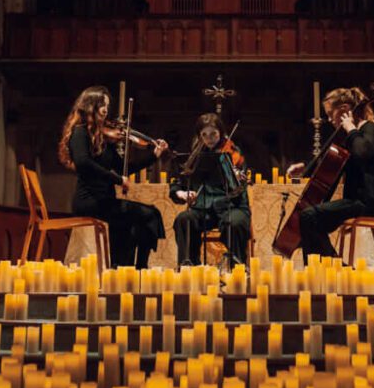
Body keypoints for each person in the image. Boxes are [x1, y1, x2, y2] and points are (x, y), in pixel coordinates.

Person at [58, 86, 168, 268]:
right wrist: (117, 180)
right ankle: (137, 268)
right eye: (101, 104)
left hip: (105, 200)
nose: (105, 109)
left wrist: (154, 155)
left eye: (107, 105)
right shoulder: (80, 132)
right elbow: (84, 163)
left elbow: (126, 168)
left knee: (136, 224)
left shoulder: (101, 139)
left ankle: (124, 268)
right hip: (90, 201)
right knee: (149, 214)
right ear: (89, 105)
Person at [285, 87, 374, 258]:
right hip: (355, 201)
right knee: (310, 221)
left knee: (309, 217)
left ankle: (330, 265)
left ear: (344, 110)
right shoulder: (351, 136)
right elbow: (330, 165)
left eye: (329, 113)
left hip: (369, 200)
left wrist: (350, 129)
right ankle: (325, 265)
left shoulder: (368, 128)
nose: (329, 119)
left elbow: (363, 151)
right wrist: (306, 169)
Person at [169, 113, 252, 267]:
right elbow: (177, 183)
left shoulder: (232, 152)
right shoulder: (195, 154)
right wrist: (182, 193)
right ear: (199, 135)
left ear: (220, 132)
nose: (209, 138)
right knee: (184, 219)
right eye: (204, 134)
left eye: (213, 133)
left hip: (231, 207)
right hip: (203, 208)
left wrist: (235, 176)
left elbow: (242, 184)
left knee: (235, 223)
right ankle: (189, 267)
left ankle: (237, 270)